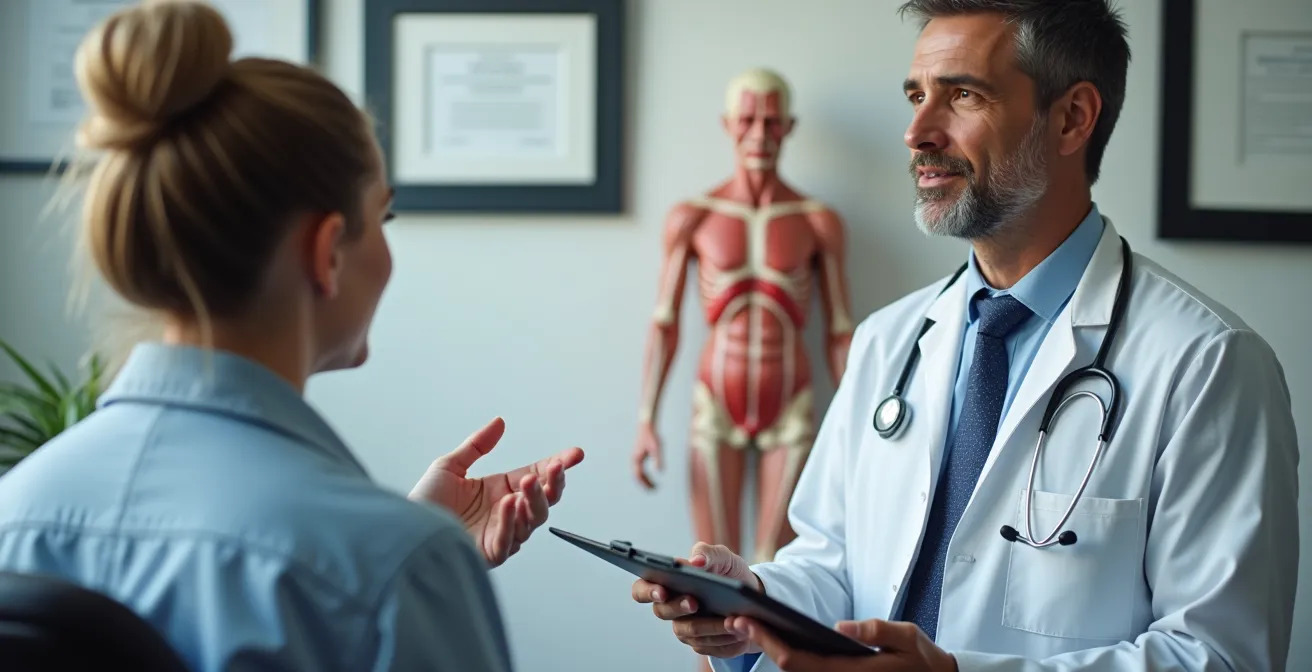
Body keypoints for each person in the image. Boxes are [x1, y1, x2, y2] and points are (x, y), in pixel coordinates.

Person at [631, 1, 1301, 671]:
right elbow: (833, 561)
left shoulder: (1208, 365)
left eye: (962, 95)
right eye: (916, 96)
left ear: (1072, 118)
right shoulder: (886, 340)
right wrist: (753, 598)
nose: (917, 132)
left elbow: (1220, 655)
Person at [0, 2, 582, 670]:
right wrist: (410, 559)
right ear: (327, 250)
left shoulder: (14, 512)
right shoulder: (392, 569)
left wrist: (413, 540)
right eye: (381, 216)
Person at [632, 67, 856, 572]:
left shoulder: (817, 221)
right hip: (715, 404)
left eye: (772, 122)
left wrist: (855, 425)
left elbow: (840, 331)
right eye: (748, 120)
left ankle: (770, 657)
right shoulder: (693, 216)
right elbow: (664, 323)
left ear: (789, 127)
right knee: (710, 574)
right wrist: (647, 419)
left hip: (791, 406)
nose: (760, 134)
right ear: (728, 124)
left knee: (774, 573)